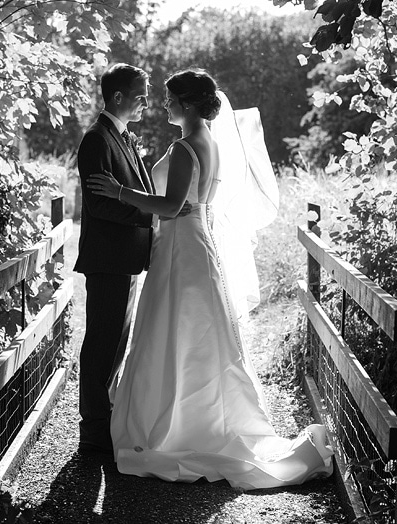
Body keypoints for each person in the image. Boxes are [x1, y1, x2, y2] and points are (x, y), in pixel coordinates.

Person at [87, 69, 333, 490]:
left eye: (168, 99)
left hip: (182, 248)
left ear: (186, 103)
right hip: (193, 241)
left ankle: (174, 425)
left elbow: (169, 204)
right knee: (190, 334)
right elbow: (187, 203)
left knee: (175, 331)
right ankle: (191, 415)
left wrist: (119, 192)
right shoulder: (211, 143)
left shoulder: (185, 147)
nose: (162, 105)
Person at [74, 63, 156, 457]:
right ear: (119, 97)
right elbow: (100, 205)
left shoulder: (120, 136)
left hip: (125, 258)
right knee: (100, 344)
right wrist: (152, 214)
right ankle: (92, 432)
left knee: (115, 343)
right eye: (140, 94)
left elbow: (130, 189)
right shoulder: (96, 140)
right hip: (108, 258)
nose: (146, 101)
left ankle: (104, 422)